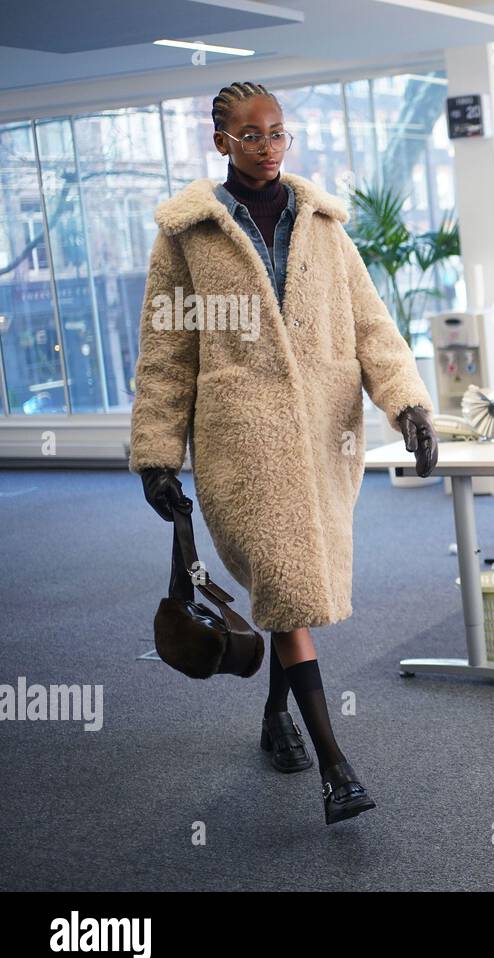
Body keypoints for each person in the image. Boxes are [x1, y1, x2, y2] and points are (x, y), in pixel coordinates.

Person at [130, 81, 438, 824]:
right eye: (251, 135)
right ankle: (337, 767)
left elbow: (372, 326)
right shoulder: (187, 237)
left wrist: (409, 404)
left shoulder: (325, 225)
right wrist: (156, 454)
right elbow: (167, 352)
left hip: (324, 436)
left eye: (278, 133)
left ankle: (275, 717)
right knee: (290, 582)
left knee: (287, 592)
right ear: (221, 143)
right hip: (243, 444)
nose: (268, 147)